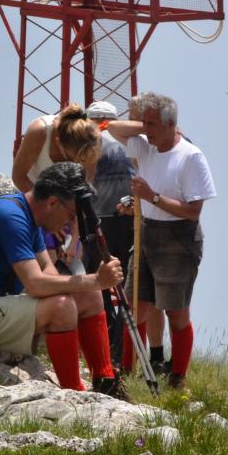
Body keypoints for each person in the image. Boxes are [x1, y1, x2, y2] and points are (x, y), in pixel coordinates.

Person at [0, 162, 127, 398]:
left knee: (88, 295)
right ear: (52, 202)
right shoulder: (10, 216)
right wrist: (96, 280)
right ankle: (75, 395)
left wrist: (91, 285)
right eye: (71, 215)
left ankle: (107, 383)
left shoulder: (26, 213)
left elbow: (49, 273)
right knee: (62, 306)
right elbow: (35, 284)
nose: (69, 224)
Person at [106, 92, 216, 389]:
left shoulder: (190, 156)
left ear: (171, 124)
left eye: (153, 124)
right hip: (147, 233)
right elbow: (111, 128)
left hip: (177, 239)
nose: (146, 129)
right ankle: (128, 371)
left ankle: (177, 376)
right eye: (144, 123)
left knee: (175, 311)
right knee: (135, 306)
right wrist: (144, 126)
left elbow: (193, 211)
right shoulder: (146, 147)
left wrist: (151, 197)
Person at [84, 100, 136, 367]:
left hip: (96, 223)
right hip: (128, 222)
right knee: (126, 289)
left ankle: (105, 349)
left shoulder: (87, 145)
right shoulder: (131, 145)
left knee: (99, 287)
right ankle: (120, 352)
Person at [11, 103, 102, 190]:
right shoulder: (39, 132)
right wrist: (43, 204)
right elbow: (19, 177)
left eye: (81, 160)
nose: (76, 163)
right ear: (58, 143)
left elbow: (86, 183)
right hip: (29, 191)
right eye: (72, 159)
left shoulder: (92, 140)